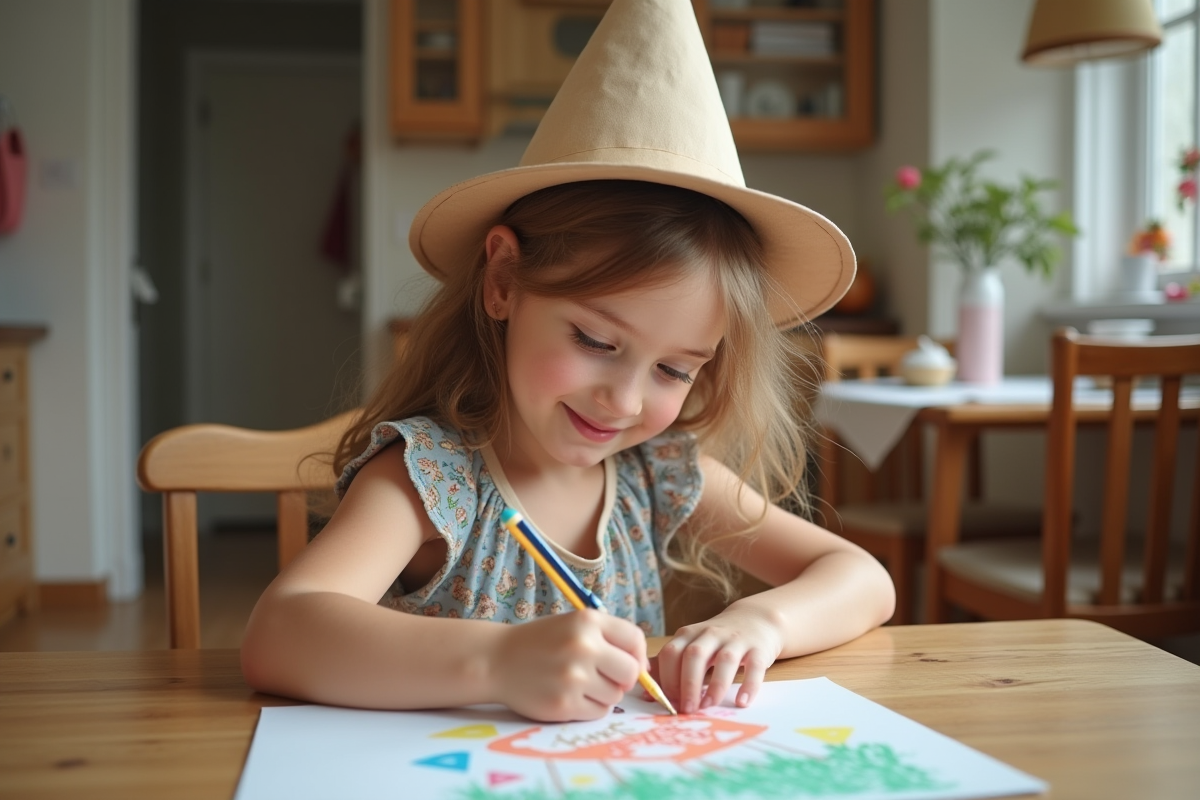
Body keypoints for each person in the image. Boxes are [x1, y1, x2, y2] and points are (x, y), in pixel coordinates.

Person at [240, 0, 894, 722]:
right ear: (502, 282)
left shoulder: (657, 473)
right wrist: (496, 662)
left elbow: (861, 577)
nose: (623, 401)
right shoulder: (432, 479)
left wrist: (761, 623)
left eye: (675, 369)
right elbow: (280, 634)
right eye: (596, 342)